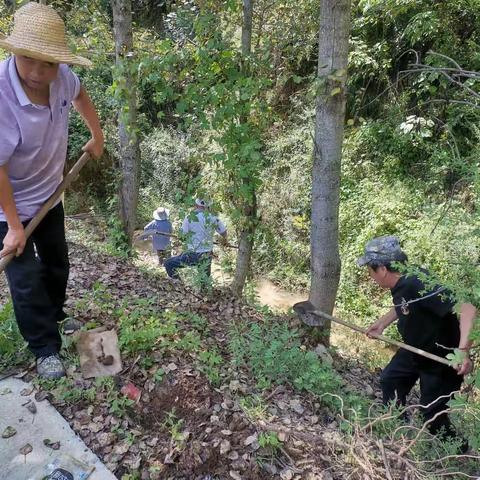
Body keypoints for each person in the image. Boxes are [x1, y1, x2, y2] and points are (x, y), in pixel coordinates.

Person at [0, 3, 104, 379]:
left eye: (49, 63)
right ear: (14, 51)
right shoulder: (1, 97)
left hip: (49, 193)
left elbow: (80, 94)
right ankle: (45, 348)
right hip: (6, 206)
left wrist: (96, 134)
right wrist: (13, 225)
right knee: (24, 279)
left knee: (58, 261)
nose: (38, 72)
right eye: (29, 60)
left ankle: (56, 313)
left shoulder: (62, 78)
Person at [358, 236, 476, 449]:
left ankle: (461, 451)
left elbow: (467, 306)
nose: (370, 275)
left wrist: (462, 352)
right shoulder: (402, 281)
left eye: (370, 270)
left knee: (431, 416)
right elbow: (406, 303)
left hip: (441, 359)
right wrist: (382, 323)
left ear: (382, 269)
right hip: (415, 350)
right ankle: (399, 433)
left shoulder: (417, 281)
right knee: (390, 381)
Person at [164, 198, 227, 281]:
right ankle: (203, 292)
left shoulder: (189, 217)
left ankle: (179, 284)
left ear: (196, 205)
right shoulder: (214, 218)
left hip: (192, 253)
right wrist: (225, 241)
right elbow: (223, 232)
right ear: (208, 206)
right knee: (204, 280)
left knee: (168, 263)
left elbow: (182, 236)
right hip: (207, 254)